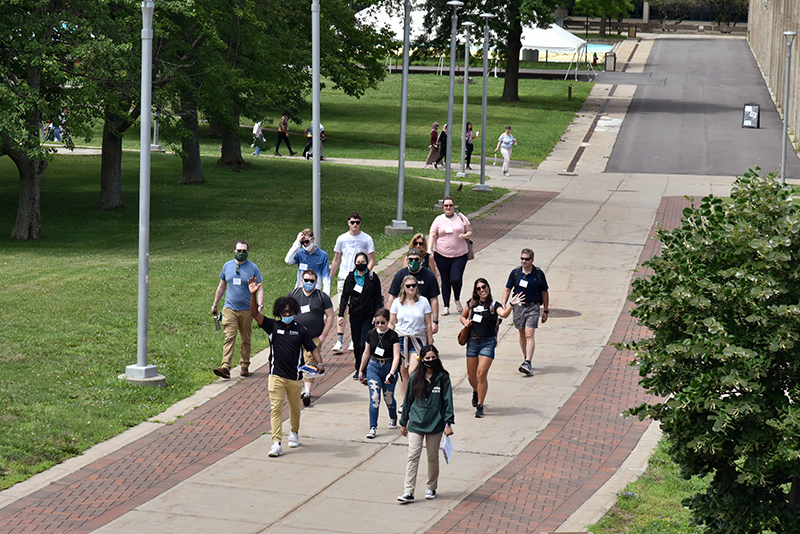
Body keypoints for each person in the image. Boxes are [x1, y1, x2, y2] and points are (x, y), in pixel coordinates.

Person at [249, 283, 324, 458]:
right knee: (276, 409)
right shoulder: (272, 327)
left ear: (294, 311)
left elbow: (312, 349)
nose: (287, 315)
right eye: (284, 312)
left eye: (290, 312)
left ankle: (294, 432)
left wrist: (319, 364)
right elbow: (254, 313)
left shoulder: (301, 330)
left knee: (294, 408)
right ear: (279, 313)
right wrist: (253, 295)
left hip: (295, 378)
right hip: (276, 376)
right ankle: (276, 443)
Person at [397, 344, 454, 504]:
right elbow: (408, 400)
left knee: (432, 457)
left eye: (433, 358)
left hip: (435, 424)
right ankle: (408, 491)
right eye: (427, 358)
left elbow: (448, 401)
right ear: (421, 359)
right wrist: (403, 422)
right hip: (416, 422)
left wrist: (448, 423)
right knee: (413, 455)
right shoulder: (415, 377)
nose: (430, 361)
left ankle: (431, 487)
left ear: (437, 358)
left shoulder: (443, 378)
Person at [459, 278, 519, 418]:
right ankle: (476, 391)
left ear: (488, 287)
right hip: (472, 342)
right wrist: (466, 322)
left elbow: (503, 314)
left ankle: (480, 406)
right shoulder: (472, 303)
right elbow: (462, 317)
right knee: (471, 376)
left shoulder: (493, 304)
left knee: (481, 374)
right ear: (476, 291)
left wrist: (511, 305)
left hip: (488, 343)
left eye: (484, 287)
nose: (482, 290)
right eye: (479, 288)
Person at [211, 240, 264, 379]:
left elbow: (260, 288)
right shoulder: (227, 266)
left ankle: (245, 365)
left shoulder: (253, 268)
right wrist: (215, 304)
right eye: (239, 250)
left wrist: (260, 305)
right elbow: (221, 286)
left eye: (244, 251)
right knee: (230, 336)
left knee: (246, 338)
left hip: (247, 309)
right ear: (234, 250)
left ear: (248, 251)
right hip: (230, 308)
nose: (241, 253)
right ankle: (225, 367)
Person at [330, 211, 375, 353]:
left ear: (360, 223)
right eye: (352, 222)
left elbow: (371, 259)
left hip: (359, 278)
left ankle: (352, 340)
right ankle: (339, 340)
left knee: (354, 308)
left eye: (357, 222)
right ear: (348, 223)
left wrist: (364, 274)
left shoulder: (366, 239)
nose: (355, 225)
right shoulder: (341, 239)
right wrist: (330, 277)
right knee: (341, 307)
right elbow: (337, 259)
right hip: (344, 277)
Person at [289, 270, 335, 406]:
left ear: (316, 282)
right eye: (306, 280)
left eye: (312, 281)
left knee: (310, 362)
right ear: (302, 280)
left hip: (313, 337)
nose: (309, 283)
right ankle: (300, 388)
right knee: (296, 362)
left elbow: (331, 316)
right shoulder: (294, 295)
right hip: (295, 336)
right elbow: (285, 311)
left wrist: (323, 336)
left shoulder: (322, 297)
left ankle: (307, 392)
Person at [501, 248, 549, 376]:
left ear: (532, 260)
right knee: (522, 334)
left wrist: (546, 310)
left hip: (533, 307)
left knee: (529, 334)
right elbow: (507, 289)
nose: (524, 261)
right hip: (518, 307)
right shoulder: (516, 273)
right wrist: (504, 304)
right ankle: (526, 358)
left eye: (526, 259)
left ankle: (528, 361)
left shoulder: (538, 274)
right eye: (522, 258)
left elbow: (544, 292)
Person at [389, 275, 433, 411]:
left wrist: (430, 342)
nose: (411, 288)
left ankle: (414, 397)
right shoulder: (397, 302)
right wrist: (387, 340)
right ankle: (405, 401)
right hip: (400, 338)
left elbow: (428, 323)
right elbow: (392, 323)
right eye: (408, 286)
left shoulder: (423, 301)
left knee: (413, 370)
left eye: (414, 285)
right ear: (404, 287)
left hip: (417, 339)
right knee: (403, 371)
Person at [339, 252, 384, 380]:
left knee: (365, 344)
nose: (361, 264)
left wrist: (377, 315)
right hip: (354, 315)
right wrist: (341, 314)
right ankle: (358, 367)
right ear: (354, 263)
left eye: (363, 262)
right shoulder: (350, 278)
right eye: (358, 262)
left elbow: (377, 298)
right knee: (356, 344)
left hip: (368, 316)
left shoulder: (372, 277)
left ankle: (364, 369)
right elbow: (344, 296)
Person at [359, 308, 401, 439]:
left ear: (388, 322)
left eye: (383, 322)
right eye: (377, 322)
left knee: (388, 397)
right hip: (374, 367)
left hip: (388, 366)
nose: (380, 325)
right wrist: (361, 369)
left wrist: (392, 373)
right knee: (375, 397)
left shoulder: (393, 336)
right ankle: (373, 427)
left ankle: (393, 416)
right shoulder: (371, 334)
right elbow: (366, 353)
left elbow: (396, 356)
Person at [428, 196, 472, 316]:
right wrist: (429, 249)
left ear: (454, 206)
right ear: (443, 207)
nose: (448, 207)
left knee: (456, 278)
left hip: (460, 255)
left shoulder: (461, 218)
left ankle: (457, 299)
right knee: (445, 280)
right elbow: (432, 234)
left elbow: (470, 231)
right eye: (446, 205)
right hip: (441, 255)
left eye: (450, 205)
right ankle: (446, 306)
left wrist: (464, 236)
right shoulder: (438, 220)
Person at [388, 248, 440, 336]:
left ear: (420, 260)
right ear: (407, 259)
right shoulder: (400, 275)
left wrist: (435, 321)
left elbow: (434, 299)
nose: (413, 262)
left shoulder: (429, 275)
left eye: (416, 259)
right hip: (403, 320)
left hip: (421, 319)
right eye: (411, 259)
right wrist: (389, 319)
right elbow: (392, 297)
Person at [284, 228, 331, 295]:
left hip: (315, 292)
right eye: (302, 243)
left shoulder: (323, 255)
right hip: (300, 291)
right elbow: (288, 260)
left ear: (313, 239)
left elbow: (326, 277)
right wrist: (297, 242)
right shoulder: (300, 253)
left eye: (307, 242)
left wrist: (326, 295)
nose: (305, 244)